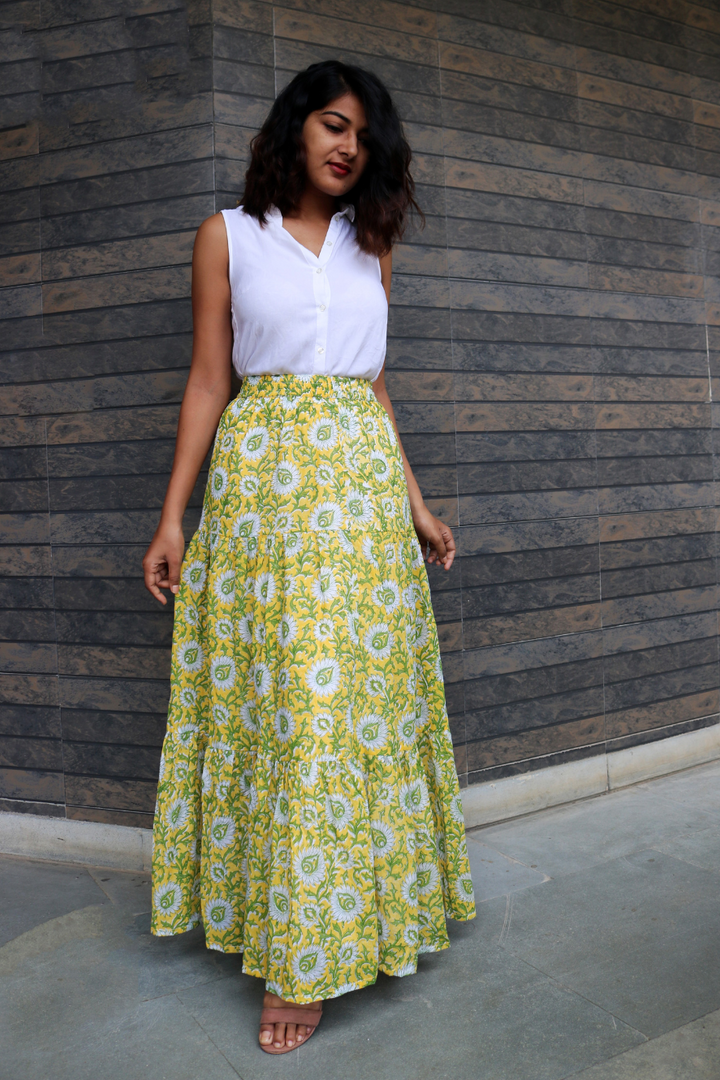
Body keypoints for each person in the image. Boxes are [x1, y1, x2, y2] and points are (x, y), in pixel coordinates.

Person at [143, 59, 476, 1056]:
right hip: (264, 499)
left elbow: (373, 389)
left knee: (354, 707)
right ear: (295, 127)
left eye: (363, 138)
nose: (347, 147)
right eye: (333, 125)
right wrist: (174, 518)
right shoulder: (227, 238)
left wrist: (415, 504)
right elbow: (210, 380)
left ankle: (352, 922)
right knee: (289, 709)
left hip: (362, 503)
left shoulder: (374, 247)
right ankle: (295, 947)